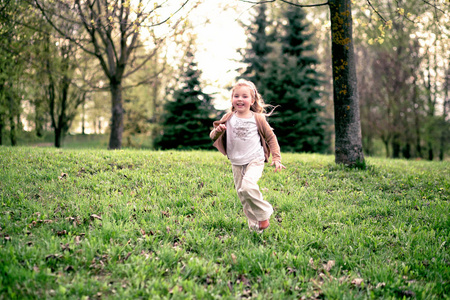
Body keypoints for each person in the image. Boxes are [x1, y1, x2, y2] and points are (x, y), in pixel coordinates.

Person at [210, 79, 286, 233]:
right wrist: (218, 131)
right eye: (236, 96)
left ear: (252, 100)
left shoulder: (257, 118)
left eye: (244, 96)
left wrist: (276, 158)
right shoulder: (229, 117)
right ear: (232, 99)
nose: (240, 99)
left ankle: (264, 213)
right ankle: (255, 228)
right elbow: (212, 137)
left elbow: (271, 138)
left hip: (255, 160)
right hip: (236, 162)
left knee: (248, 186)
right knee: (244, 197)